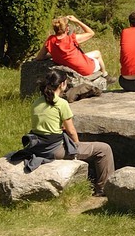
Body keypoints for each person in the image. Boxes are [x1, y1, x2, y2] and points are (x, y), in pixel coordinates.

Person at [9, 67, 115, 196]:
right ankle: (104, 189)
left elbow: (43, 125)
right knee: (104, 149)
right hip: (54, 149)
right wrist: (76, 145)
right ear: (62, 84)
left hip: (38, 147)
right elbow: (71, 131)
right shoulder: (61, 103)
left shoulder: (36, 102)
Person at [44, 15, 107, 99]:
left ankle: (105, 74)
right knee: (97, 53)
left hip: (73, 63)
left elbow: (40, 57)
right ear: (67, 29)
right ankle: (105, 74)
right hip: (86, 68)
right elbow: (91, 33)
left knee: (94, 53)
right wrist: (77, 21)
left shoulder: (50, 40)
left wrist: (53, 54)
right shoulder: (71, 39)